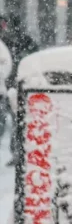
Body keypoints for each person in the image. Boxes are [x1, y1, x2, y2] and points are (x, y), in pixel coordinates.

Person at [0, 15, 39, 166]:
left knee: (12, 119)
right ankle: (19, 152)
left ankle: (18, 152)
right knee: (17, 120)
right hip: (17, 83)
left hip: (10, 84)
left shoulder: (8, 41)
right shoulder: (23, 40)